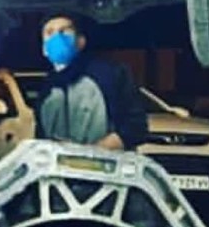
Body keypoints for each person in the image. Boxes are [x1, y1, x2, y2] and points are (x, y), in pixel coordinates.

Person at [35, 13, 148, 150]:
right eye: (49, 32)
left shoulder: (110, 73)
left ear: (81, 41)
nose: (57, 38)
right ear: (44, 49)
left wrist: (92, 152)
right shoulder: (47, 88)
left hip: (106, 161)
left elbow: (135, 127)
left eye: (64, 31)